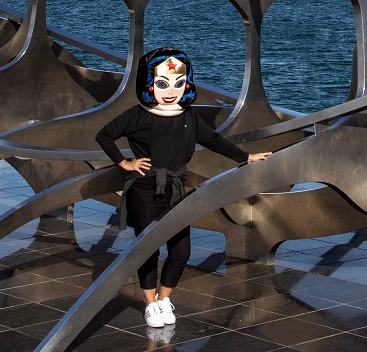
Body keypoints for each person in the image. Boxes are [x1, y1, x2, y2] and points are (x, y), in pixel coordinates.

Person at [95, 46, 271, 328]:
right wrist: (124, 163)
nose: (170, 91)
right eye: (162, 83)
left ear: (187, 83)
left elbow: (214, 141)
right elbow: (105, 135)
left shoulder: (188, 116)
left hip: (176, 188)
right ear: (148, 83)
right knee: (148, 247)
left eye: (178, 83)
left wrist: (246, 157)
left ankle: (165, 299)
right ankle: (150, 304)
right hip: (144, 188)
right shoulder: (138, 115)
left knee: (181, 251)